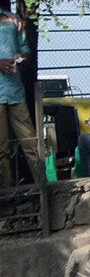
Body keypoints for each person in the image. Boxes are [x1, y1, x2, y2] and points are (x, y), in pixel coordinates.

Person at [0, 10, 39, 187]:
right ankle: (6, 194)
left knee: (31, 143)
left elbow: (26, 52)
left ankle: (43, 186)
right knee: (2, 148)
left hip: (15, 92)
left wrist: (21, 58)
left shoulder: (14, 20)